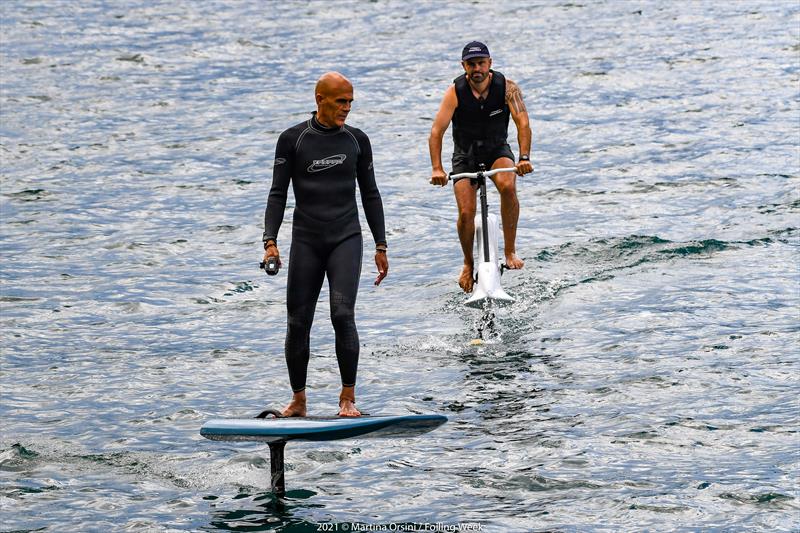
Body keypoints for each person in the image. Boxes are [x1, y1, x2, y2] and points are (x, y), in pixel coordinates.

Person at [261, 72, 388, 418]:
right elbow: (277, 193)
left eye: (350, 102)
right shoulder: (293, 139)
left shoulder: (357, 141)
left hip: (345, 237)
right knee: (298, 322)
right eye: (340, 101)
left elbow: (371, 194)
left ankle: (347, 398)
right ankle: (298, 401)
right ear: (320, 100)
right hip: (306, 239)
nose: (347, 108)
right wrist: (270, 241)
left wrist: (381, 244)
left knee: (342, 314)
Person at [429, 41, 533, 293]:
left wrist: (524, 157)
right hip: (465, 155)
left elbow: (523, 123)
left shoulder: (508, 88)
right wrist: (437, 168)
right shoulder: (454, 92)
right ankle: (467, 264)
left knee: (507, 185)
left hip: (496, 149)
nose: (477, 68)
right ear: (464, 66)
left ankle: (509, 251)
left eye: (481, 63)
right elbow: (436, 132)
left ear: (490, 63)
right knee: (466, 212)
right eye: (471, 64)